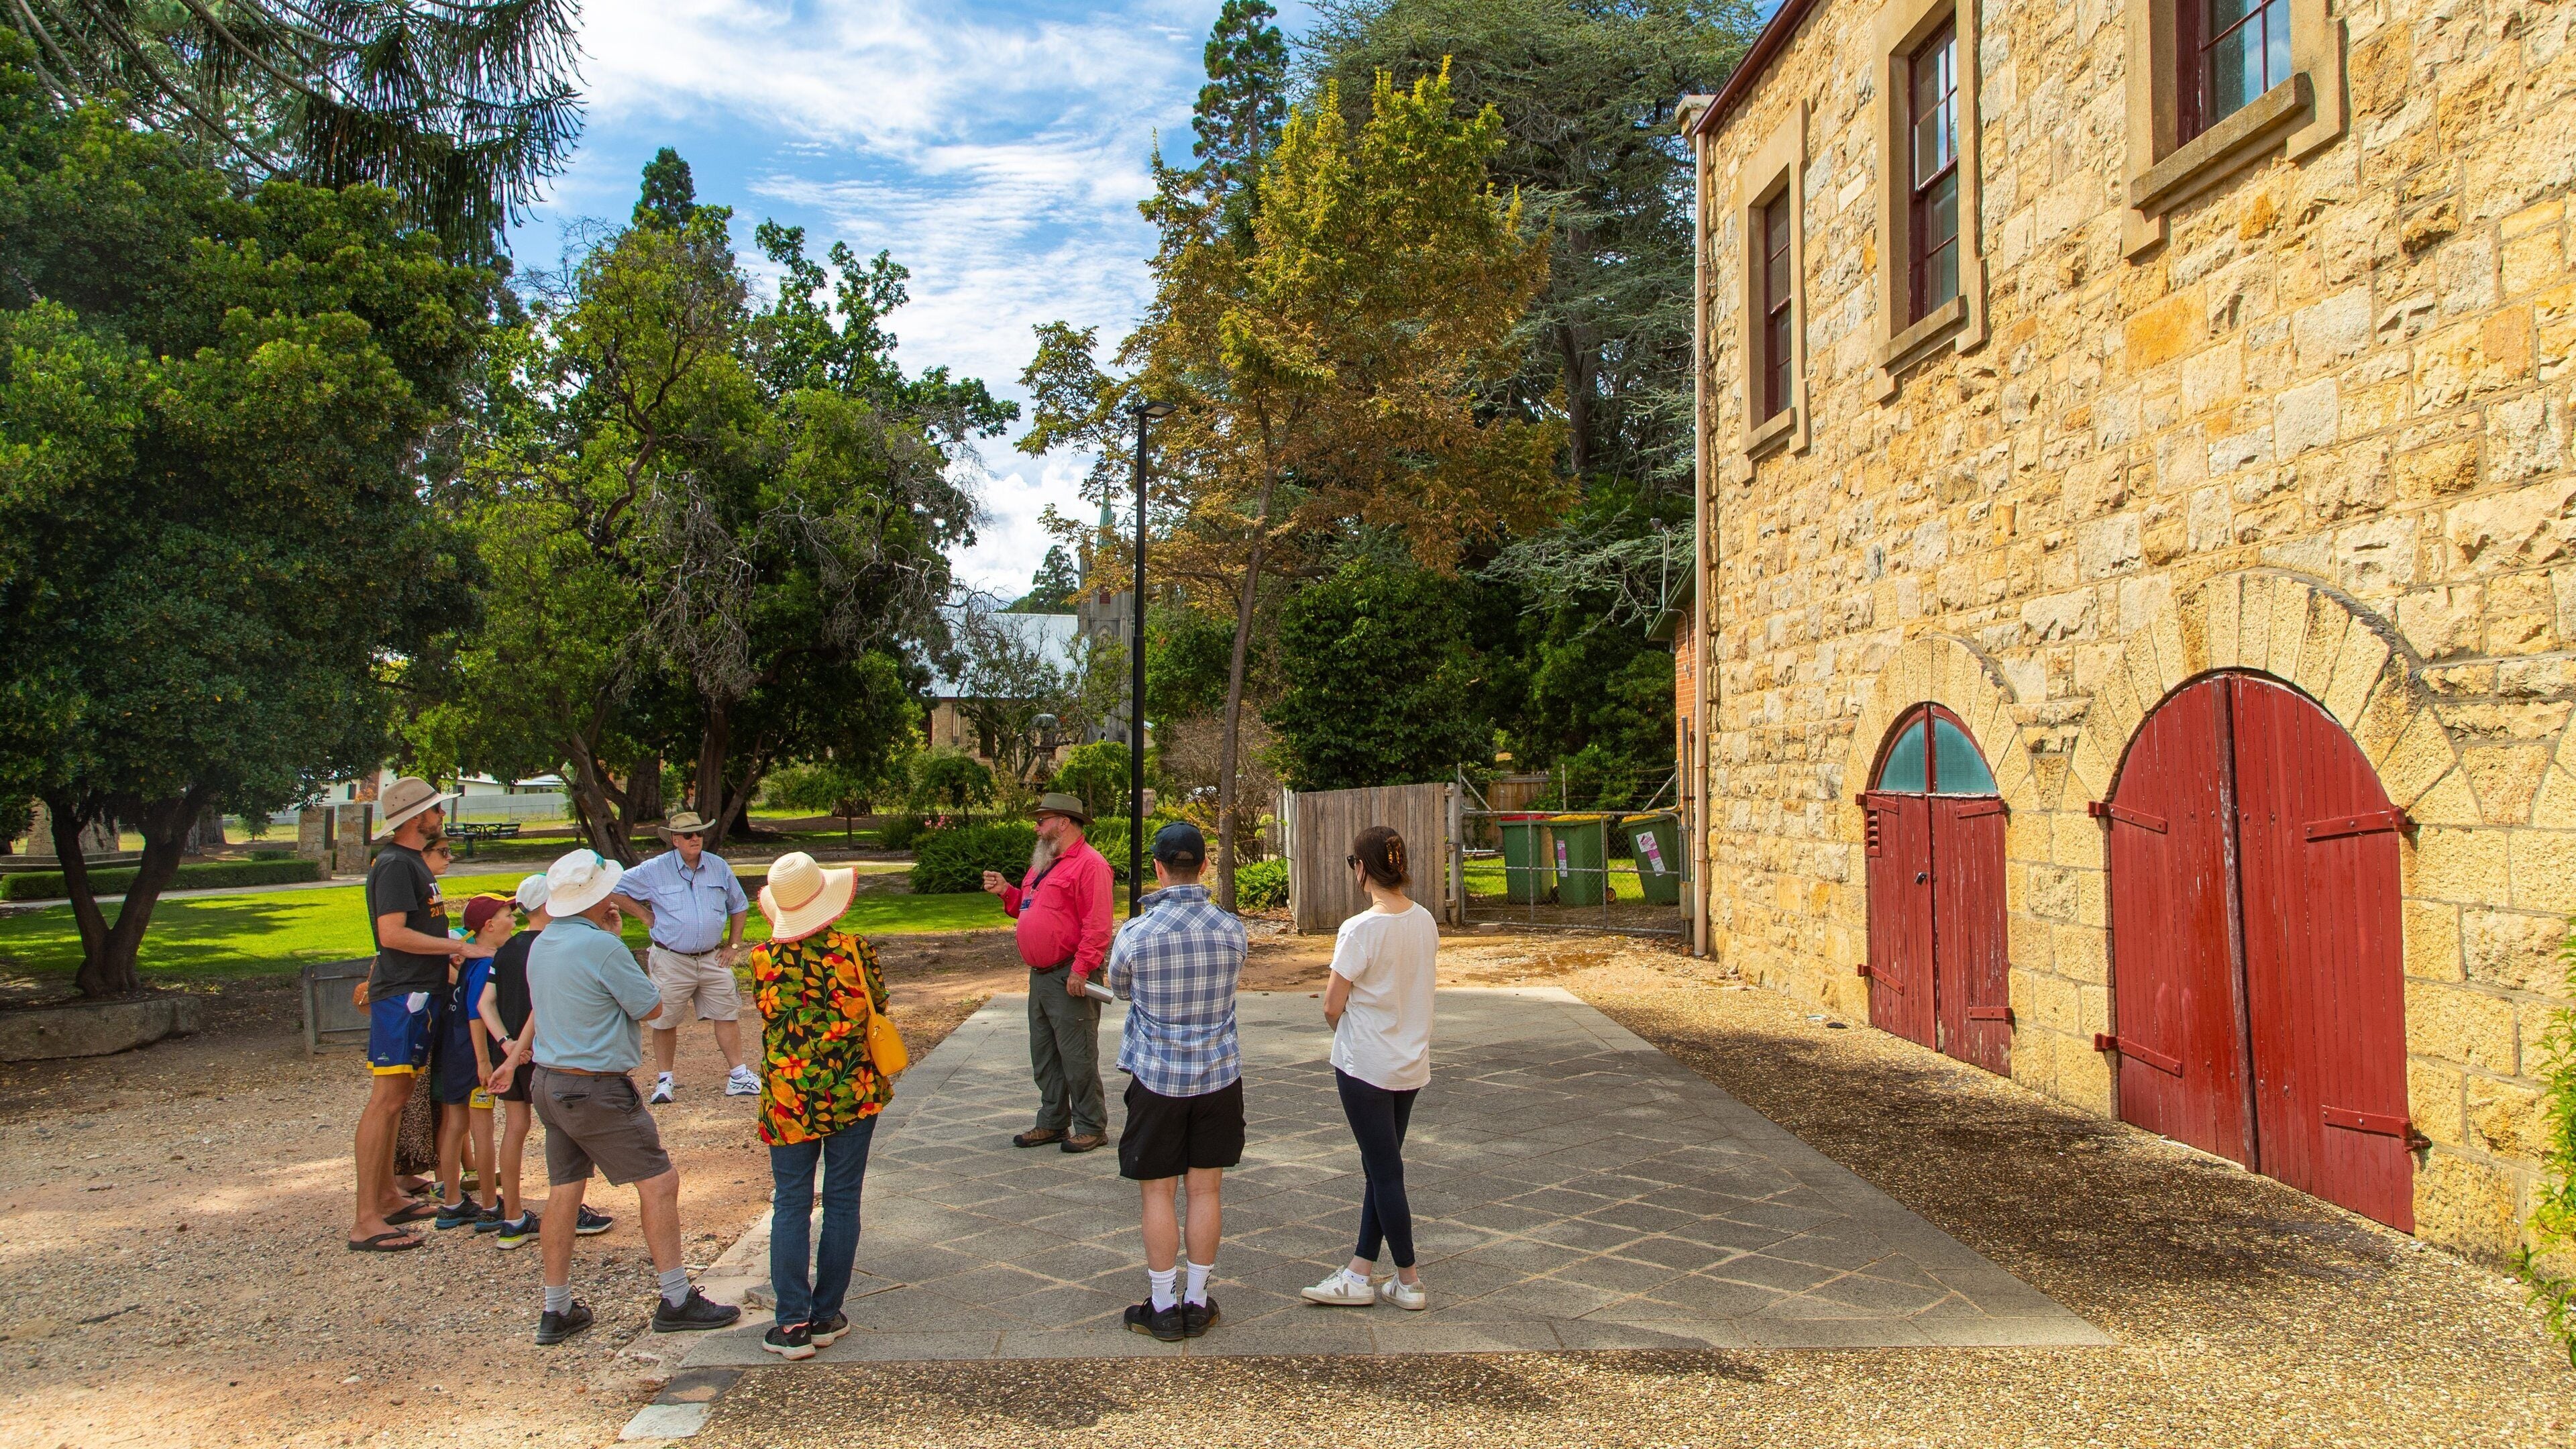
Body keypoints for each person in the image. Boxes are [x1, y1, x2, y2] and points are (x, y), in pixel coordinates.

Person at [519, 848, 740, 1345]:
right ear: (596, 898)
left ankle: (556, 1307)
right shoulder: (602, 947)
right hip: (595, 1085)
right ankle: (676, 1298)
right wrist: (616, 942)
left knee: (564, 1189)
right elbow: (651, 1006)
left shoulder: (543, 941)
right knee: (659, 1182)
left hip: (550, 1081)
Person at [746, 851, 892, 1360]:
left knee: (791, 1202)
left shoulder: (762, 959)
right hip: (852, 1090)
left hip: (789, 1097)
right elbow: (878, 1004)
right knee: (842, 1200)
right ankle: (827, 1313)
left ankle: (792, 1321)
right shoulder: (855, 950)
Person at [1104, 822, 1246, 1342]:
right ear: (1204, 866)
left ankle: (1163, 1305)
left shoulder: (1137, 934)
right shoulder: (1231, 930)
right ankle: (1198, 1299)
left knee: (1158, 1193)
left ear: (1158, 869)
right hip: (1218, 1076)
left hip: (1157, 1077)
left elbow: (1119, 988)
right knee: (1206, 1189)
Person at [347, 777, 492, 1253]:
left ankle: (388, 1197)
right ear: (415, 818)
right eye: (435, 809)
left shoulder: (410, 862)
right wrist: (458, 948)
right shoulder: (395, 864)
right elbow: (391, 934)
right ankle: (365, 1220)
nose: (441, 815)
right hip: (401, 996)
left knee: (399, 1095)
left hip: (417, 992)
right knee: (386, 1099)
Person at [1301, 826, 1440, 1311]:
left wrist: (1344, 1029)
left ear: (1362, 868)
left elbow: (1331, 1004)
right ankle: (1359, 1271)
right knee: (1380, 1168)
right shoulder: (1425, 920)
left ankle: (1409, 1279)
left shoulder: (1360, 928)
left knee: (1384, 1172)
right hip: (1410, 1062)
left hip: (1365, 1064)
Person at [482, 875, 613, 1249]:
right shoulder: (552, 944)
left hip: (511, 1051)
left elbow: (485, 1003)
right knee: (566, 1132)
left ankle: (512, 1217)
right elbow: (542, 1003)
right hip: (547, 1050)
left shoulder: (506, 948)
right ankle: (570, 1213)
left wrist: (506, 1044)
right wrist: (522, 1045)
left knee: (515, 1129)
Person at [980, 792, 1114, 1153]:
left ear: (1064, 822)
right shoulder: (1044, 862)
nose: (1036, 827)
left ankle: (1091, 1126)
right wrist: (1007, 892)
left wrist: (1081, 970)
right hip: (1040, 976)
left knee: (1077, 1055)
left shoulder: (1091, 865)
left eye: (1042, 820)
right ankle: (1053, 1122)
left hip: (1069, 973)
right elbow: (1029, 907)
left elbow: (1098, 926)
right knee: (1044, 1054)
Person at [607, 811, 757, 1104]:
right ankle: (665, 1081)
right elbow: (614, 888)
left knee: (727, 1013)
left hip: (713, 957)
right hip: (671, 958)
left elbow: (739, 905)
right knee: (664, 1019)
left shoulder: (718, 866)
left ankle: (739, 1075)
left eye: (699, 833)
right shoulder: (654, 869)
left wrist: (734, 946)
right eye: (688, 835)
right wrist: (644, 915)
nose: (695, 839)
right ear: (675, 840)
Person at [433, 894, 513, 1232]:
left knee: (455, 1125)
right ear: (489, 926)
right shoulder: (483, 964)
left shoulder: (469, 961)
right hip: (473, 1056)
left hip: (453, 1052)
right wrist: (484, 1060)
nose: (514, 921)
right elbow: (477, 1012)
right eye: (508, 916)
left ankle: (451, 1201)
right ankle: (490, 1205)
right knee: (482, 1129)